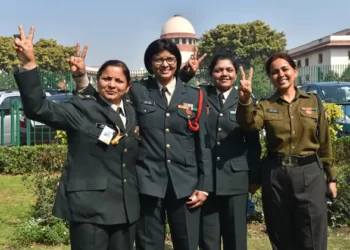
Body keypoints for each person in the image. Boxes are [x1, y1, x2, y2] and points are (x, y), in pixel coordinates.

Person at [74, 39, 212, 250]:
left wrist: (203, 185)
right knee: (149, 245)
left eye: (170, 59)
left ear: (177, 62)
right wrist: (81, 78)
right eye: (158, 59)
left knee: (188, 243)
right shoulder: (138, 91)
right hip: (148, 182)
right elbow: (106, 99)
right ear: (150, 63)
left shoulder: (196, 95)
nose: (164, 64)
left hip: (186, 184)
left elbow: (203, 144)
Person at [13, 25, 140, 250]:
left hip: (124, 208)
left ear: (128, 86)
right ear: (97, 81)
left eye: (118, 81)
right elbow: (39, 108)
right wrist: (28, 65)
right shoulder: (81, 109)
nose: (111, 85)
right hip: (89, 209)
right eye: (106, 79)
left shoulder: (131, 111)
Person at [236, 52, 337, 250]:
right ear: (270, 77)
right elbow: (250, 125)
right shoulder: (265, 105)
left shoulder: (313, 101)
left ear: (295, 71)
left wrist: (331, 178)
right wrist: (246, 100)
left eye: (284, 69)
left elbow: (324, 142)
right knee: (281, 235)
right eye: (274, 72)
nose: (280, 74)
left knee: (313, 236)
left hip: (309, 173)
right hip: (276, 176)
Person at [197, 52, 261, 250]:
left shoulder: (246, 98)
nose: (223, 74)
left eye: (229, 70)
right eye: (218, 70)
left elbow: (253, 142)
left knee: (235, 238)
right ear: (210, 73)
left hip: (236, 180)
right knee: (208, 239)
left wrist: (255, 177)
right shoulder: (200, 96)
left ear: (235, 73)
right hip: (206, 180)